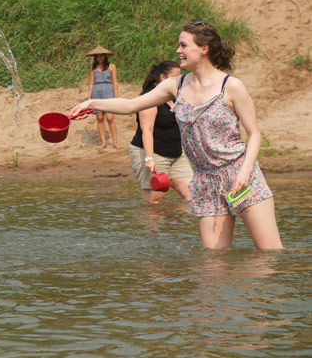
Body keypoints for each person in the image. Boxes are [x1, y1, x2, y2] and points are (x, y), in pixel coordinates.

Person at [70, 21, 282, 250]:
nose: (178, 51)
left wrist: (244, 172)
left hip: (241, 176)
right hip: (205, 180)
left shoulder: (231, 86)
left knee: (270, 255)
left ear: (204, 48)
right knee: (213, 265)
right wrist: (92, 103)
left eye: (183, 45)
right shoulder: (175, 86)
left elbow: (254, 134)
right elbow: (131, 105)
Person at [130, 60, 192, 204]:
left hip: (175, 154)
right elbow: (147, 129)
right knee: (155, 203)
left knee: (193, 196)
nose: (179, 80)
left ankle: (177, 226)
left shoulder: (176, 96)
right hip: (154, 154)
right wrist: (149, 159)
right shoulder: (150, 97)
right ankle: (153, 227)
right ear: (163, 77)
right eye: (175, 77)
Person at [86, 45, 121, 149]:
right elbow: (91, 83)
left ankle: (115, 142)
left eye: (101, 56)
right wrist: (89, 97)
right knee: (100, 118)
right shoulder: (93, 68)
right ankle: (103, 142)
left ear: (105, 56)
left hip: (108, 92)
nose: (99, 58)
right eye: (97, 56)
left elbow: (115, 82)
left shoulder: (112, 67)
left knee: (110, 118)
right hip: (96, 93)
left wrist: (116, 96)